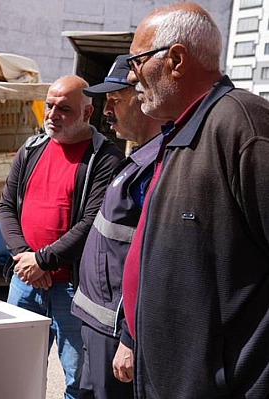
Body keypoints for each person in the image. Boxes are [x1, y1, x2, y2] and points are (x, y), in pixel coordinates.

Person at [121, 3, 269, 397]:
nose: (131, 76)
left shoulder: (243, 127)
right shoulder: (179, 133)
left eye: (136, 61)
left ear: (176, 59)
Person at [0, 75, 123, 399]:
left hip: (73, 290)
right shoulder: (32, 149)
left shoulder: (105, 159)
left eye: (64, 109)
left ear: (86, 113)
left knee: (77, 379)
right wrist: (26, 258)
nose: (52, 115)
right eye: (49, 106)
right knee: (16, 370)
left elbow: (91, 224)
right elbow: (6, 206)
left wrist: (42, 261)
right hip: (25, 282)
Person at [70, 55, 162, 399]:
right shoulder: (138, 159)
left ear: (143, 98)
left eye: (115, 100)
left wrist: (129, 337)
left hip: (116, 332)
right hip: (99, 323)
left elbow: (151, 262)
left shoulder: (156, 166)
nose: (107, 110)